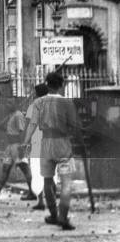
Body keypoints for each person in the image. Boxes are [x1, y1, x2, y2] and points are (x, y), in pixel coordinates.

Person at [24, 72, 79, 230]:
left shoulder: (38, 102)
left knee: (48, 181)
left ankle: (53, 215)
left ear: (47, 85)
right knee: (66, 183)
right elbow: (74, 126)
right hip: (62, 144)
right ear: (61, 85)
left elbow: (32, 125)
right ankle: (63, 217)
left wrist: (25, 143)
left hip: (45, 144)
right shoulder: (67, 103)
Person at [0, 99, 37, 201]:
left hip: (17, 146)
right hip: (10, 147)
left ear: (15, 104)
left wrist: (22, 146)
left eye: (10, 103)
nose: (8, 105)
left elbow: (22, 131)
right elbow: (9, 129)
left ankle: (33, 192)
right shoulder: (11, 115)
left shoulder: (18, 115)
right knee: (5, 169)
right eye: (7, 102)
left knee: (25, 169)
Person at [24, 83, 49, 210]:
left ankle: (41, 201)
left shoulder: (33, 106)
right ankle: (50, 201)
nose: (33, 94)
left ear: (37, 93)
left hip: (36, 143)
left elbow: (30, 125)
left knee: (37, 172)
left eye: (34, 92)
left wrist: (26, 142)